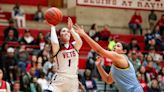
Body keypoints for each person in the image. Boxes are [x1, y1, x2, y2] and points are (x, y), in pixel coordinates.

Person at [74, 24, 143, 92]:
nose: (114, 47)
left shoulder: (121, 57)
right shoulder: (115, 64)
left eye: (118, 46)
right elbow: (108, 80)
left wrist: (84, 35)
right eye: (114, 46)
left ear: (124, 51)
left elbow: (99, 50)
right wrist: (99, 66)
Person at [45, 17, 82, 92]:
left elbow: (79, 41)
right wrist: (52, 27)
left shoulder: (74, 46)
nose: (66, 32)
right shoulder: (57, 48)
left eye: (68, 32)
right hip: (60, 79)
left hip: (73, 80)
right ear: (59, 36)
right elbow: (54, 42)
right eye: (64, 31)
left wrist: (71, 29)